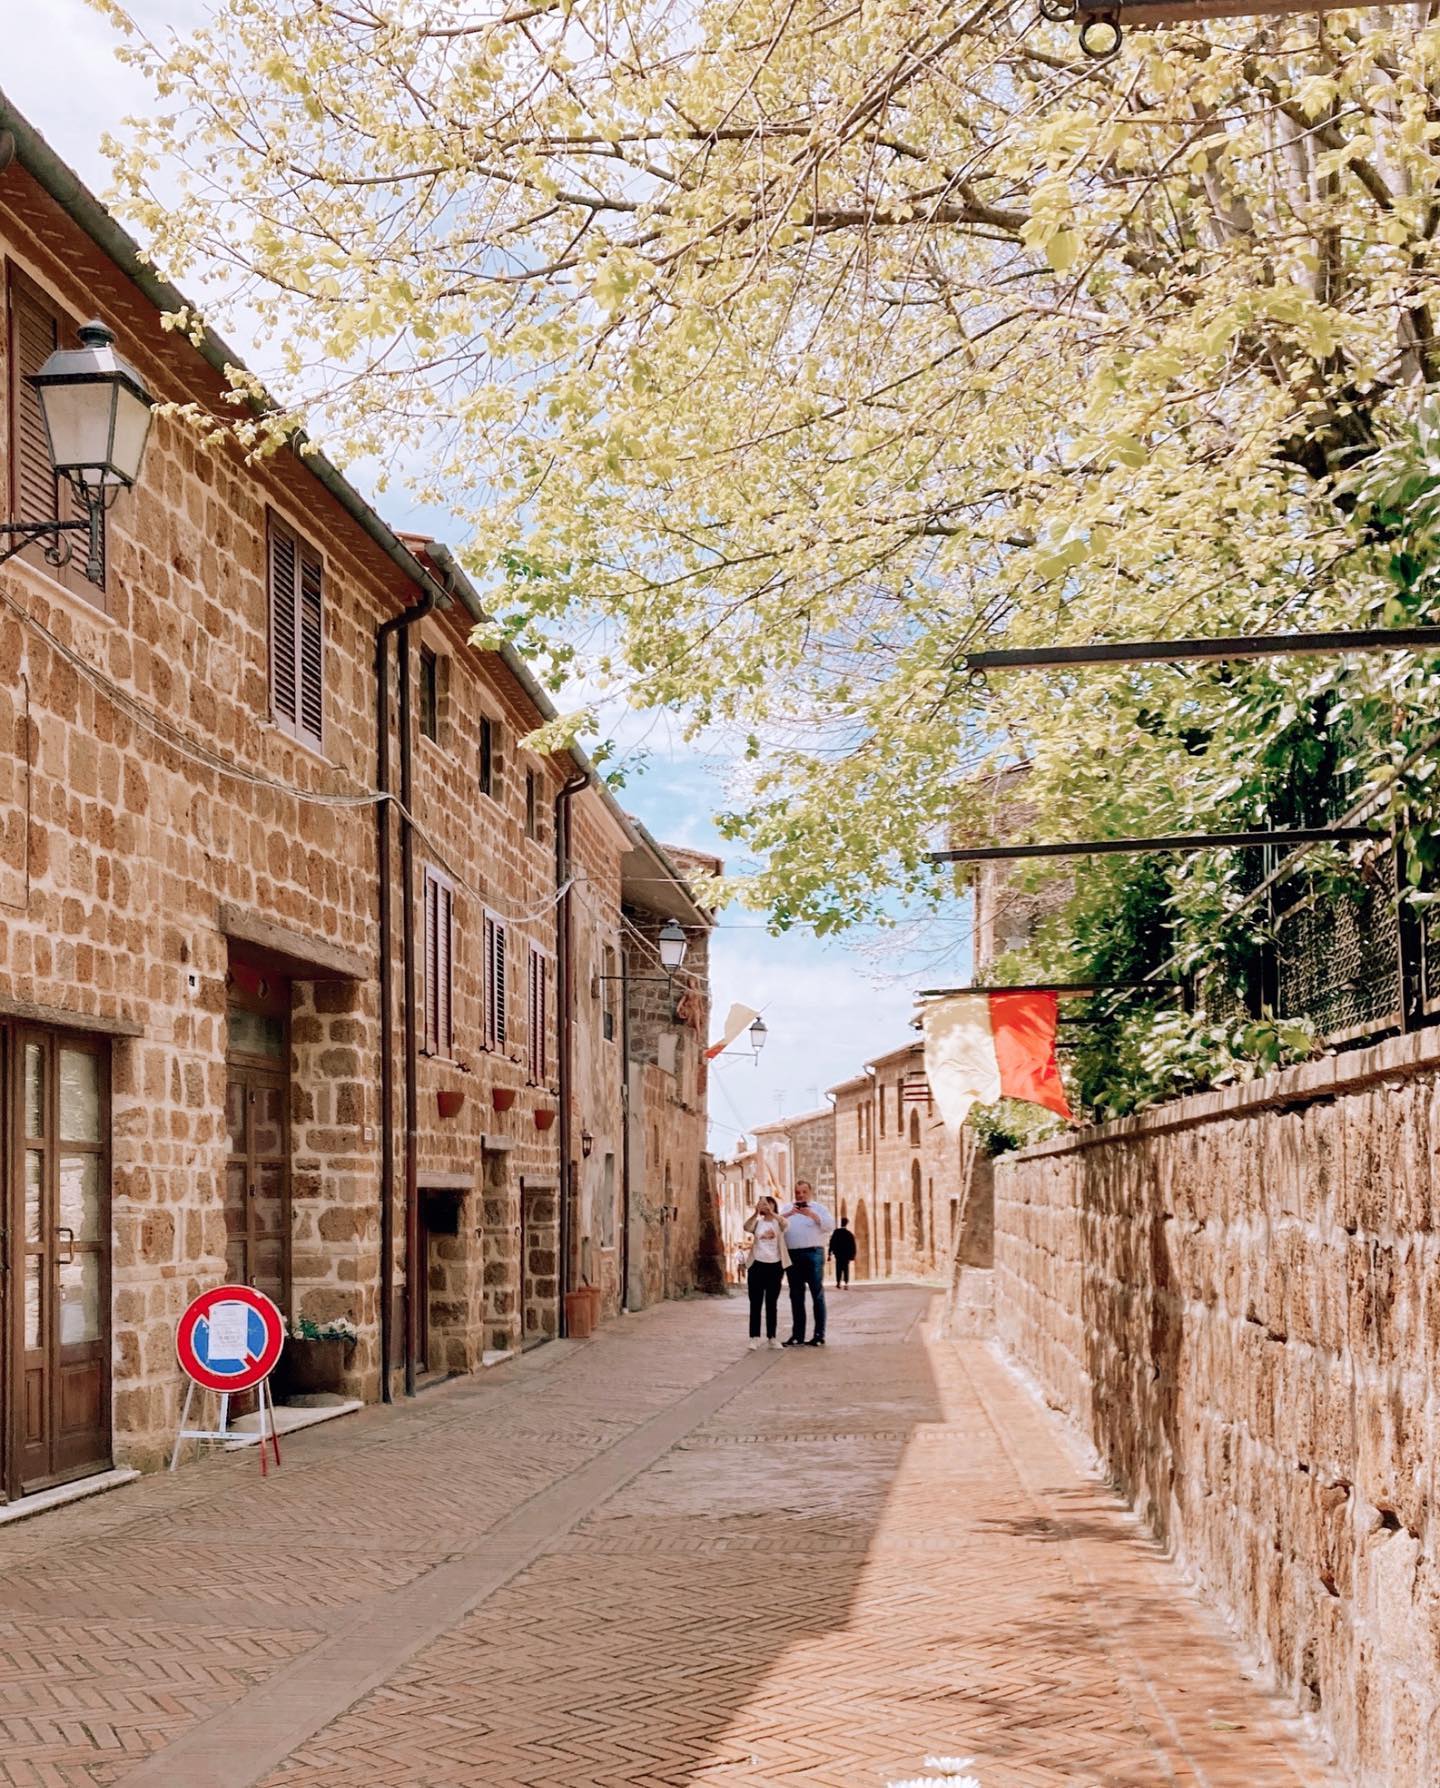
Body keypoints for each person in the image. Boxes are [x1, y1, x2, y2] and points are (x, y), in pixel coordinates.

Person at [780, 1179, 834, 1347]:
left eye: (804, 1192)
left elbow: (830, 1226)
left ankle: (819, 1335)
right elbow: (775, 1225)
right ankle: (798, 1335)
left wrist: (813, 1216)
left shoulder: (819, 1208)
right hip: (792, 1255)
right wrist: (788, 1215)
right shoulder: (786, 1209)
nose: (801, 1195)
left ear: (810, 1192)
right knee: (796, 1295)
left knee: (817, 1294)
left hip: (813, 1253)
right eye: (798, 1192)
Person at [741, 1195, 790, 1350]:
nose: (766, 1206)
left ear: (774, 1205)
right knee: (755, 1303)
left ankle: (772, 1337)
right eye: (763, 1204)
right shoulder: (757, 1223)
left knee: (771, 1303)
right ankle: (754, 1337)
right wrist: (756, 1213)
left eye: (769, 1204)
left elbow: (786, 1224)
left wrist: (772, 1213)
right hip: (757, 1265)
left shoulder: (778, 1223)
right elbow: (746, 1227)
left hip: (775, 1266)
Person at [828, 1216, 857, 1288]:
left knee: (838, 1268)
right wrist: (853, 1255)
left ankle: (838, 1282)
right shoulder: (849, 1234)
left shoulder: (836, 1232)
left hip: (838, 1254)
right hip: (846, 1255)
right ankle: (846, 1283)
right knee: (846, 1268)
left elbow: (832, 1242)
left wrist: (829, 1253)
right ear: (846, 1224)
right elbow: (853, 1245)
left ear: (841, 1223)